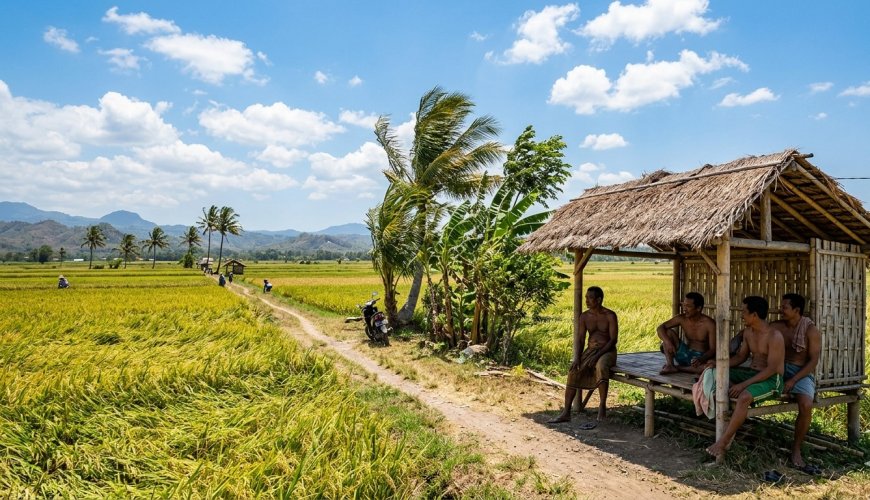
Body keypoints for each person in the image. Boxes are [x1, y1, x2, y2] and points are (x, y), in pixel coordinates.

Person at [706, 296, 784, 459]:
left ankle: (723, 442)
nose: (741, 315)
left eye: (744, 312)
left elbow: (772, 369)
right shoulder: (748, 332)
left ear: (754, 315)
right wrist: (720, 365)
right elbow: (741, 357)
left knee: (744, 397)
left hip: (771, 379)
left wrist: (743, 385)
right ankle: (732, 386)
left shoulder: (774, 336)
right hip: (750, 374)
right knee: (712, 373)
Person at [548, 286, 618, 423]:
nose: (586, 300)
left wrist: (598, 356)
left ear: (598, 300)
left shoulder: (610, 315)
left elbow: (613, 340)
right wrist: (577, 358)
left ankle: (602, 406)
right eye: (586, 297)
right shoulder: (585, 317)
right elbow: (580, 339)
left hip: (607, 351)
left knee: (601, 366)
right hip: (590, 350)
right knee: (573, 371)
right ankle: (566, 412)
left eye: (590, 298)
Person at [770, 293, 822, 474]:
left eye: (784, 307)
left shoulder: (810, 331)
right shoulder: (777, 326)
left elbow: (813, 360)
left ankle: (796, 449)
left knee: (806, 404)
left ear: (796, 310)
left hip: (800, 373)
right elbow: (754, 331)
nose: (780, 310)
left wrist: (793, 379)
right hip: (777, 369)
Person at [657, 292, 716, 374]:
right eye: (684, 305)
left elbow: (713, 349)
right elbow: (660, 328)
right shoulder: (682, 318)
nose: (684, 309)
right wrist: (667, 342)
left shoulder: (709, 324)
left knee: (708, 368)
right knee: (668, 332)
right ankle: (670, 365)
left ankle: (678, 368)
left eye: (688, 306)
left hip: (699, 360)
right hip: (683, 353)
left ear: (698, 308)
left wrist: (701, 359)